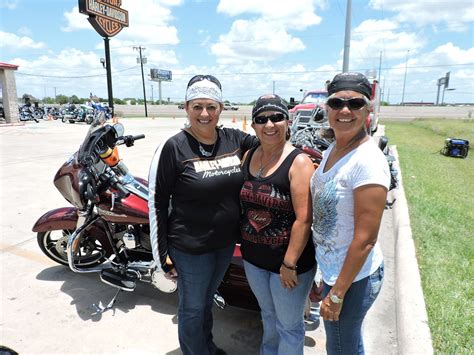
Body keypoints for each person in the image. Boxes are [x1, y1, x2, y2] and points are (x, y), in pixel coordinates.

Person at [148, 74, 258, 355]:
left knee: (207, 300)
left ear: (221, 108)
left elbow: (270, 146)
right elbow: (157, 203)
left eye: (211, 106)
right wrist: (161, 256)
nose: (204, 113)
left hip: (223, 245)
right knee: (193, 308)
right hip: (190, 248)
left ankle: (205, 346)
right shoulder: (174, 147)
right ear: (186, 108)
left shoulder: (235, 139)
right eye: (197, 106)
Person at [310, 72, 390, 354]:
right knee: (348, 341)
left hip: (354, 279)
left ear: (368, 109)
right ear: (327, 108)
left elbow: (366, 239)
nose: (345, 110)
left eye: (355, 104)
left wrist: (338, 293)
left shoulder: (367, 162)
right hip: (336, 271)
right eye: (337, 102)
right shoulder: (335, 147)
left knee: (341, 345)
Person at [240, 94, 317, 355]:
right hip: (253, 260)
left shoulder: (299, 162)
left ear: (288, 121)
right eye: (262, 119)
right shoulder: (249, 155)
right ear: (254, 126)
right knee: (268, 317)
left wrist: (289, 263)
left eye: (276, 117)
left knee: (289, 326)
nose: (269, 124)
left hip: (288, 265)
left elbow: (304, 218)